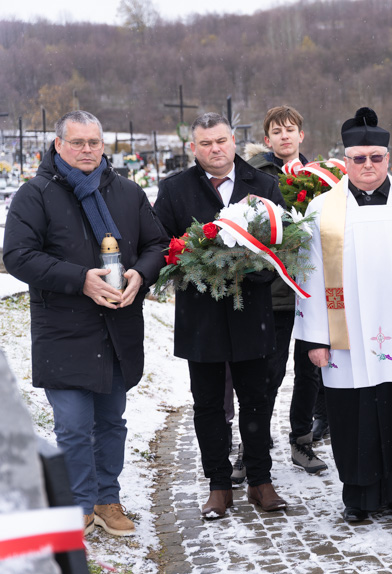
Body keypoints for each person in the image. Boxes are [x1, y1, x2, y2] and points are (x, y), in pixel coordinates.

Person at [3, 110, 168, 536]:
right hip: (64, 328)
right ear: (58, 145)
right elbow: (17, 256)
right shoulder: (36, 194)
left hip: (117, 327)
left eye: (94, 142)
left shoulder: (127, 192)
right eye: (77, 143)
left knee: (112, 421)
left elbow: (156, 244)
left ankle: (106, 499)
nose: (87, 150)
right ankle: (78, 504)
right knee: (74, 426)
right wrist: (80, 280)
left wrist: (140, 273)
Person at [293, 107, 392, 524]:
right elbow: (308, 276)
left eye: (376, 158)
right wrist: (315, 338)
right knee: (354, 415)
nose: (368, 166)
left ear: (389, 158)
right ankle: (359, 496)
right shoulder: (321, 209)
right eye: (358, 159)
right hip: (344, 333)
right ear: (345, 160)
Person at [154, 112, 288, 519]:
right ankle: (218, 485)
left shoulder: (263, 185)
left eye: (221, 141)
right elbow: (161, 245)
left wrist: (250, 269)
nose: (215, 149)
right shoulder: (175, 189)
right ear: (193, 147)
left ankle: (260, 481)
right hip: (201, 315)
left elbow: (283, 245)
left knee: (257, 399)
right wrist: (198, 265)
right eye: (206, 143)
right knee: (208, 403)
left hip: (252, 310)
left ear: (233, 141)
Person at [241, 105, 327, 479]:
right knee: (267, 373)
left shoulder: (319, 178)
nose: (284, 136)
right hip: (272, 291)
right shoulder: (255, 176)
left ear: (301, 135)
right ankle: (253, 446)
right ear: (267, 139)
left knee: (309, 371)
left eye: (290, 130)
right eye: (276, 132)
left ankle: (301, 440)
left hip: (309, 291)